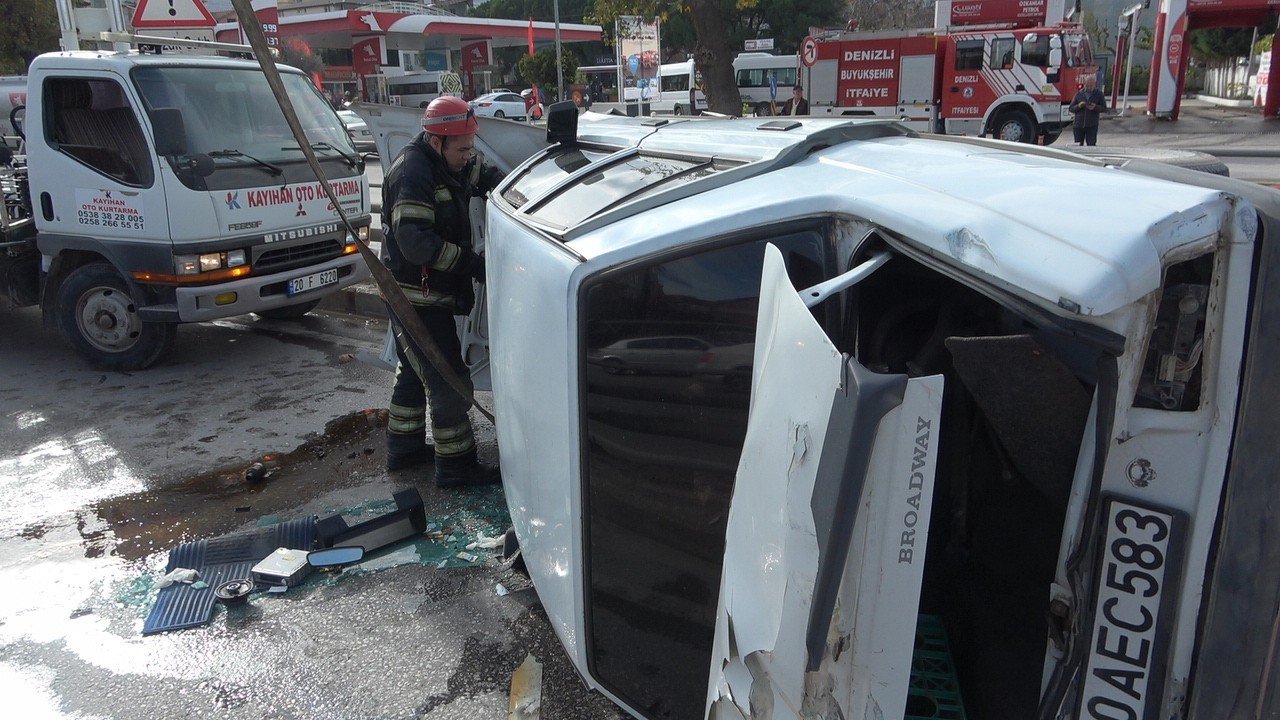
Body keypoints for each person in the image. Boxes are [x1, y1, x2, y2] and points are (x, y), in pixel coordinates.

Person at [382, 96, 505, 487]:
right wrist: (472, 264)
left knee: (413, 371)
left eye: (471, 148)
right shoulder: (413, 173)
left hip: (421, 294)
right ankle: (456, 466)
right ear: (436, 141)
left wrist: (513, 190)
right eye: (462, 149)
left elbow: (485, 176)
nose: (469, 157)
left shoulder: (449, 162)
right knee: (448, 379)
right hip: (413, 299)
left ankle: (403, 449)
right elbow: (416, 243)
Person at [1069, 74, 1106, 147]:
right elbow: (1071, 108)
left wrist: (1095, 107)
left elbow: (1104, 108)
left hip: (1092, 125)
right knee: (1078, 146)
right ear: (1084, 84)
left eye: (1091, 86)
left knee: (1091, 145)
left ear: (1094, 84)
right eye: (1087, 86)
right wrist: (1079, 106)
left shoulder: (1099, 94)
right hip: (1078, 125)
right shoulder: (1079, 94)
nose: (1088, 88)